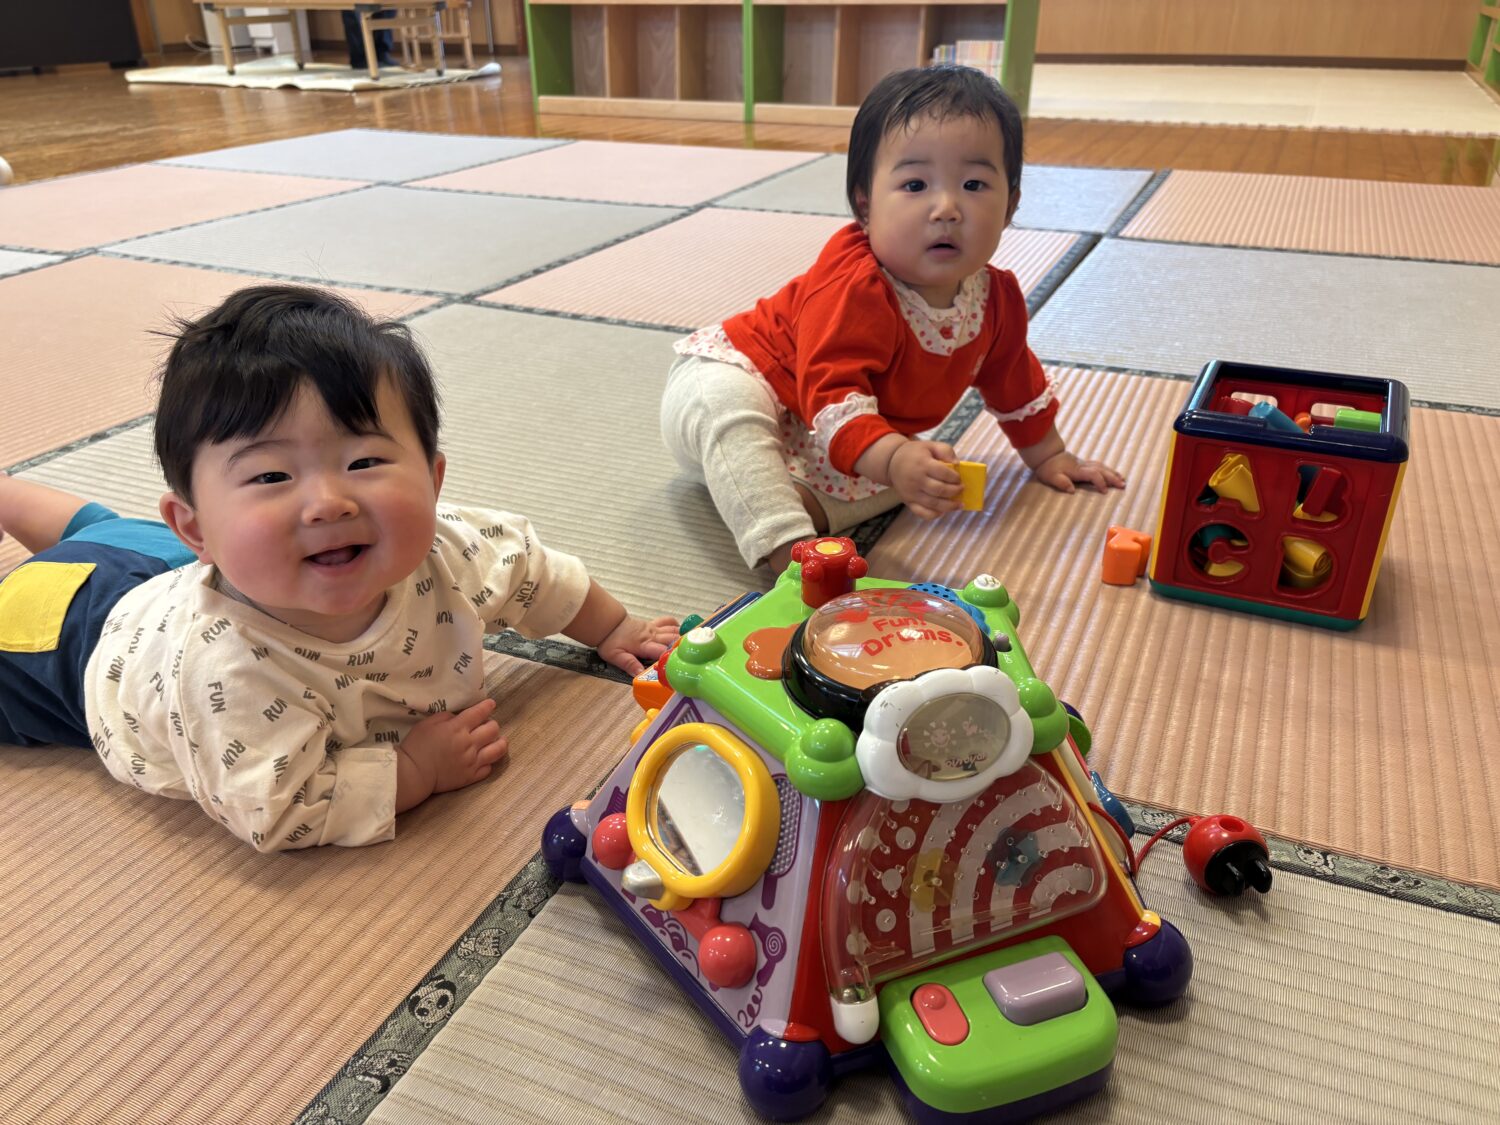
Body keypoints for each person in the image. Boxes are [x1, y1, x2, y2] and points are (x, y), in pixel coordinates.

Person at [0, 285, 678, 851]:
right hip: (67, 650)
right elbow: (278, 808)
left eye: (364, 461)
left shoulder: (450, 548)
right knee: (81, 555)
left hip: (158, 565)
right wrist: (412, 772)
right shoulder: (228, 673)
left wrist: (612, 626)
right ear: (198, 526)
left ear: (433, 480)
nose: (328, 502)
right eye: (271, 475)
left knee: (100, 532)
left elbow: (529, 570)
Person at [661, 65, 1125, 574]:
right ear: (865, 204)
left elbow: (1014, 382)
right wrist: (890, 457)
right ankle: (789, 553)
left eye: (973, 184)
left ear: (1011, 205)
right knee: (732, 408)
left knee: (920, 472)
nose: (946, 208)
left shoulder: (996, 299)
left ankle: (778, 498)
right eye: (915, 184)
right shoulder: (855, 285)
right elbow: (831, 391)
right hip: (743, 377)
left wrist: (1050, 456)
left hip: (826, 432)